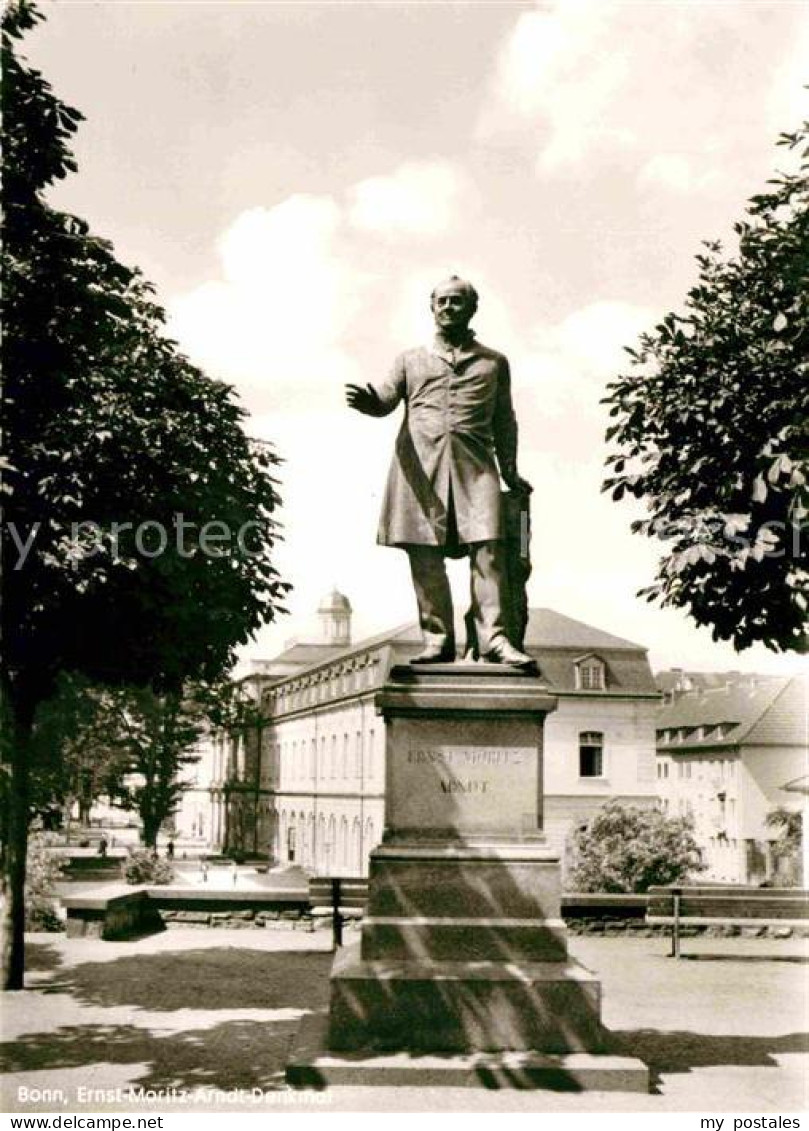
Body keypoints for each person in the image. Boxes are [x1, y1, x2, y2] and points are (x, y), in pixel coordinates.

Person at [346, 276, 535, 668]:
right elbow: (385, 398)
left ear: (472, 308)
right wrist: (372, 404)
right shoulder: (409, 360)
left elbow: (505, 420)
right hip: (420, 471)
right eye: (442, 301)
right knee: (425, 557)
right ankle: (437, 640)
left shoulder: (493, 362)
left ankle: (495, 639)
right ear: (431, 308)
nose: (449, 307)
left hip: (475, 468)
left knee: (489, 550)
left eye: (457, 301)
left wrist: (511, 471)